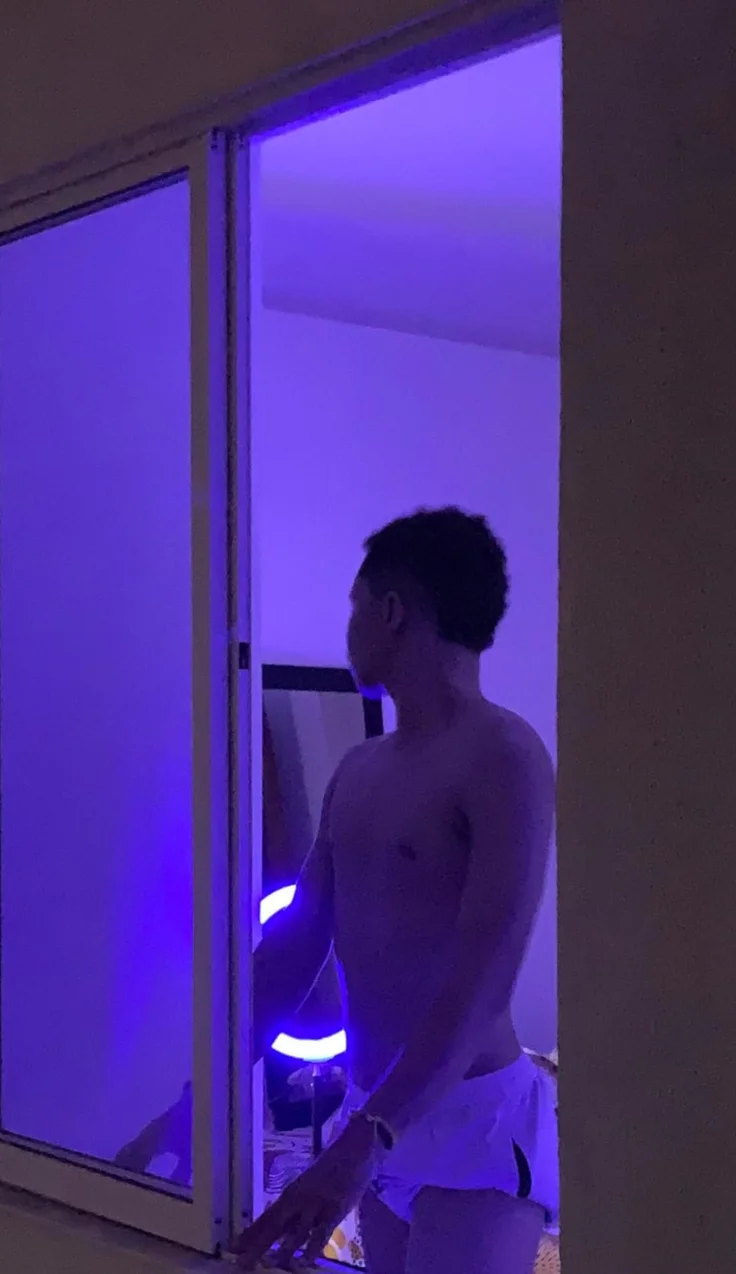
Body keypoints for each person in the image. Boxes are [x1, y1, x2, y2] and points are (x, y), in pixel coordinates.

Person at [235, 507, 558, 1273]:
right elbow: (297, 944)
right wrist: (198, 1091)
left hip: (467, 1123)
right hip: (373, 1111)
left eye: (353, 605)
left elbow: (483, 979)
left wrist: (366, 1139)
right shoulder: (359, 769)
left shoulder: (504, 755)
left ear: (389, 610)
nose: (348, 627)